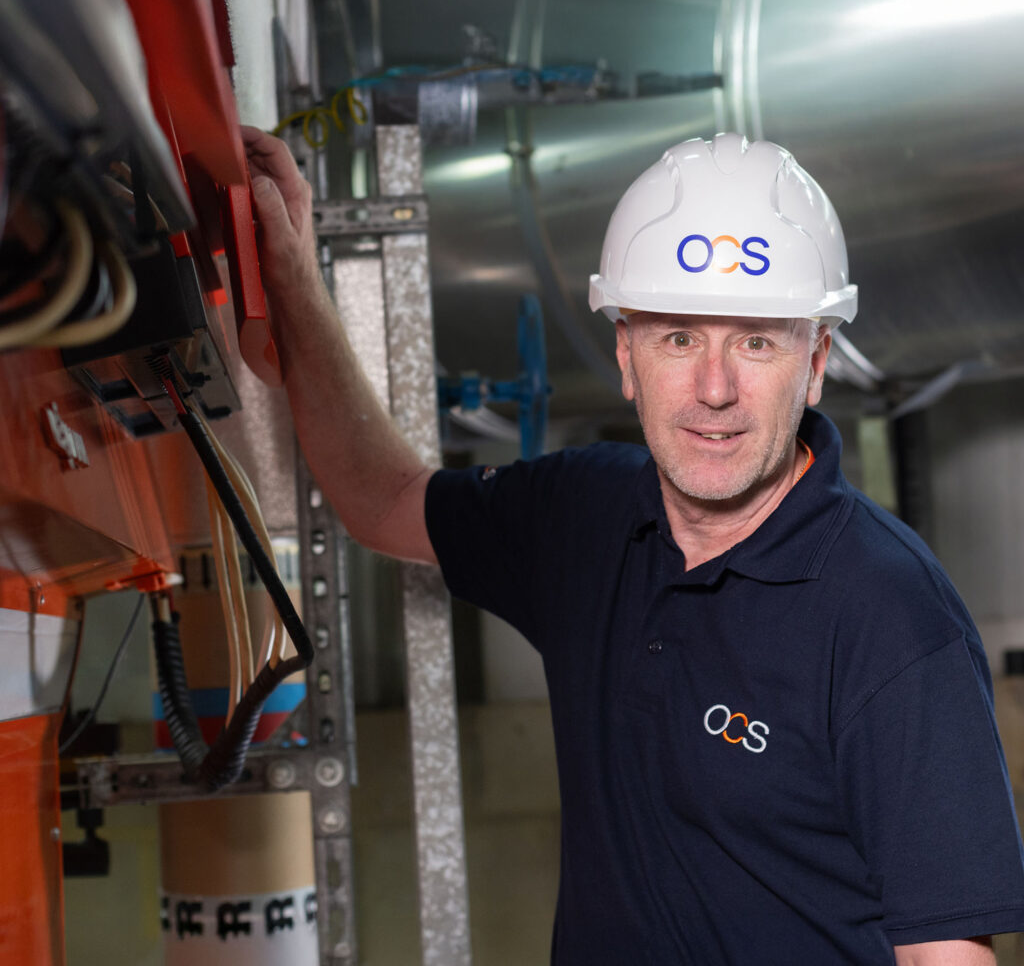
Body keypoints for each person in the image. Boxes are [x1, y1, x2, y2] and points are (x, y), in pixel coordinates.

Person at [241, 125, 1024, 965]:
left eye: (756, 341)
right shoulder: (584, 515)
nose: (714, 389)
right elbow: (384, 497)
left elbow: (947, 957)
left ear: (817, 360)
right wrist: (288, 276)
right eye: (678, 336)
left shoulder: (891, 614)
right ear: (625, 354)